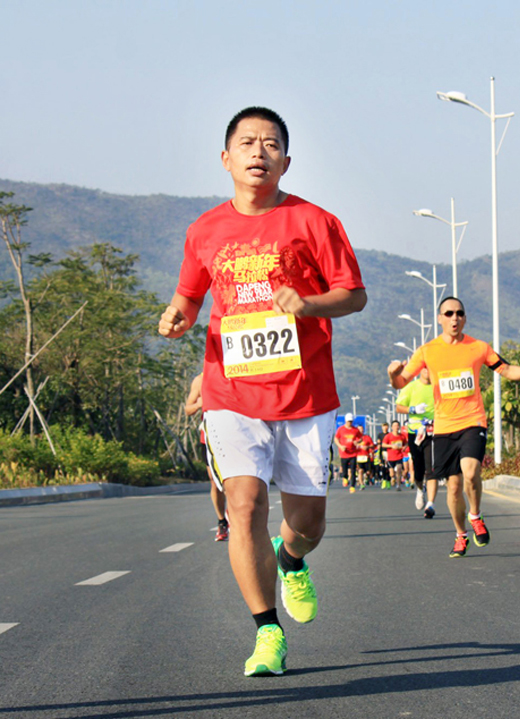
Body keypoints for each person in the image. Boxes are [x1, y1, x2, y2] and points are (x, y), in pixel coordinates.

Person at [158, 106, 366, 676]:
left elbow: (353, 295)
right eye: (247, 143)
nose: (258, 152)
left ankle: (292, 560)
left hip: (303, 394)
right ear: (226, 159)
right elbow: (191, 295)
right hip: (232, 391)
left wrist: (311, 303)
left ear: (286, 161)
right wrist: (177, 315)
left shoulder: (315, 222)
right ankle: (266, 631)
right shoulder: (204, 231)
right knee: (244, 504)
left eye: (270, 144)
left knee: (308, 523)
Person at [388, 296, 520, 558]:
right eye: (448, 313)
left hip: (472, 420)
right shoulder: (427, 351)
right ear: (440, 319)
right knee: (454, 487)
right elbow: (401, 382)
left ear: (465, 318)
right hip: (444, 426)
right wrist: (392, 374)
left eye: (459, 313)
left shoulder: (478, 347)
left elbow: (506, 370)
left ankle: (476, 516)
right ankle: (460, 534)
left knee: (471, 472)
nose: (454, 318)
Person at [185, 373, 229, 541]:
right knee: (214, 480)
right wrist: (199, 403)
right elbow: (188, 409)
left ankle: (235, 513)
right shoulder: (200, 380)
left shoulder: (234, 372)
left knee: (232, 479)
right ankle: (221, 521)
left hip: (233, 435)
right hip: (209, 436)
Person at [395, 367, 437, 518]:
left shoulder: (438, 386)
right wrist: (413, 409)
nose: (427, 370)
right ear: (420, 370)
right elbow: (398, 407)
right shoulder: (411, 387)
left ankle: (430, 504)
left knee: (431, 468)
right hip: (415, 433)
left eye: (429, 367)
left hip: (433, 432)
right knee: (418, 469)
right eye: (424, 367)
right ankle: (420, 490)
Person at [334, 413, 361, 492]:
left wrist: (357, 442)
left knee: (353, 470)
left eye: (351, 421)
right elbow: (336, 439)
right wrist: (340, 446)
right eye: (349, 421)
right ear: (346, 421)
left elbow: (360, 438)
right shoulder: (341, 429)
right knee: (345, 470)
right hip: (344, 454)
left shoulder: (355, 430)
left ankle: (352, 486)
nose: (350, 423)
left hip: (353, 453)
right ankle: (345, 478)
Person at [382, 419, 408, 491]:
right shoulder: (388, 436)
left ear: (399, 427)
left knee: (399, 470)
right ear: (392, 427)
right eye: (394, 426)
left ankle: (398, 485)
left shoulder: (402, 436)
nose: (396, 427)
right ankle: (392, 478)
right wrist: (391, 446)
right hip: (390, 457)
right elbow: (383, 445)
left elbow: (406, 443)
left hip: (399, 456)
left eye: (397, 426)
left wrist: (404, 448)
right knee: (392, 474)